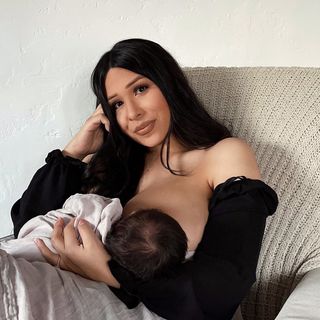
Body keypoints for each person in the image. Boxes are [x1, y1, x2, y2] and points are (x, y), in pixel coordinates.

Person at [11, 38, 278, 320]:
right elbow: (27, 229)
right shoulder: (112, 166)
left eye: (140, 89)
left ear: (169, 84)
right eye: (117, 105)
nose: (133, 114)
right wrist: (73, 153)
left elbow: (225, 285)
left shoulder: (223, 155)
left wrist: (110, 272)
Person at [2, 193, 188, 282]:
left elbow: (74, 201)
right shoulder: (113, 266)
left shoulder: (98, 208)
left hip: (43, 236)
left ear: (134, 214)